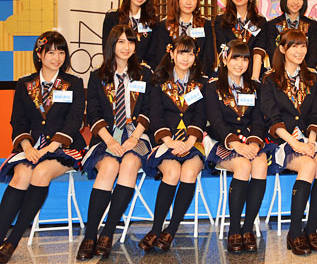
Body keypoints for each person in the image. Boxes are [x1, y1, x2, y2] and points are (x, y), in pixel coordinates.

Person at [0, 31, 86, 263]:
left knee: (40, 173)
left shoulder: (74, 83)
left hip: (64, 147)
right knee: (21, 175)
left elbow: (74, 120)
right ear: (39, 54)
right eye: (51, 52)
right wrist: (27, 147)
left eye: (61, 52)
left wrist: (52, 146)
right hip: (32, 146)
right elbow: (18, 121)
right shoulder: (24, 84)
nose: (57, 57)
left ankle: (12, 241)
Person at [76, 25, 154, 259]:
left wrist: (134, 137)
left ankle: (108, 232)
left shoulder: (144, 74)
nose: (126, 47)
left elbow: (149, 110)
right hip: (106, 135)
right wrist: (110, 141)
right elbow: (93, 114)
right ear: (111, 44)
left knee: (129, 163)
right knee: (109, 166)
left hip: (136, 133)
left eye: (130, 42)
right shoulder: (97, 76)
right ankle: (90, 235)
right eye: (121, 42)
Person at [261, 29, 317, 255]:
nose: (300, 51)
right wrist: (295, 144)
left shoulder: (312, 77)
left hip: (307, 139)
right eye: (294, 46)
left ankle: (311, 230)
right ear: (282, 49)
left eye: (303, 46)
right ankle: (294, 233)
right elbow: (272, 118)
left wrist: (310, 142)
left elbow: (316, 114)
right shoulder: (270, 79)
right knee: (308, 164)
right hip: (281, 141)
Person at [139, 35, 208, 252]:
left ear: (195, 56)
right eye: (181, 53)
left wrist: (190, 140)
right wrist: (169, 141)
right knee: (172, 172)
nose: (186, 58)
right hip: (166, 141)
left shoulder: (202, 83)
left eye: (190, 53)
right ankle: (155, 229)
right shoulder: (158, 82)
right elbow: (156, 115)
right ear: (171, 54)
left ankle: (172, 229)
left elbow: (201, 115)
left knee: (188, 172)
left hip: (192, 142)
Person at [205, 40, 273, 253]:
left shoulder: (256, 87)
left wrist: (253, 142)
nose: (240, 63)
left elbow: (259, 120)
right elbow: (216, 121)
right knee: (243, 166)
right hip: (222, 141)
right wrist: (235, 143)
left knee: (260, 164)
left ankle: (247, 228)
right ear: (225, 59)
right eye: (235, 58)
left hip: (250, 141)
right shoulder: (212, 87)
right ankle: (234, 228)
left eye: (245, 59)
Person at [214, 0, 267, 81]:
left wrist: (254, 79)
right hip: (228, 75)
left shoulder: (259, 21)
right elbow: (223, 50)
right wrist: (232, 80)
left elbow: (258, 51)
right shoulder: (221, 21)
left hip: (254, 73)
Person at [102, 0, 159, 68]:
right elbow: (107, 50)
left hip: (142, 72)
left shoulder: (152, 21)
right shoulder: (112, 18)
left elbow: (153, 55)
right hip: (116, 70)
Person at [156, 0, 214, 75]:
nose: (188, 2)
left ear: (197, 1)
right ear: (177, 0)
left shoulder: (205, 25)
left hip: (197, 76)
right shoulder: (165, 25)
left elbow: (208, 56)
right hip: (170, 76)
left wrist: (198, 77)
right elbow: (160, 55)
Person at [266, 0, 317, 69]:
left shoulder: (311, 25)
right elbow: (273, 53)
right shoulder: (272, 25)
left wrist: (303, 73)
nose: (296, 2)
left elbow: (313, 54)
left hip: (305, 72)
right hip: (280, 72)